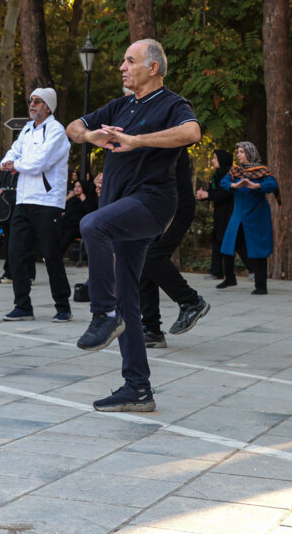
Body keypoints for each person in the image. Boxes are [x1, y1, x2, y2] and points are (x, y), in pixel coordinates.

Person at [66, 38, 201, 412]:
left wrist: (137, 140)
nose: (122, 67)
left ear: (153, 68)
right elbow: (73, 127)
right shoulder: (120, 105)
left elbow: (192, 133)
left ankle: (102, 315)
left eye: (130, 61)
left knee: (91, 224)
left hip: (151, 204)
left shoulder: (173, 105)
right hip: (121, 210)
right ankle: (138, 388)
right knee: (129, 300)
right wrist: (90, 135)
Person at [1, 87, 73, 323]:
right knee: (16, 253)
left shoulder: (56, 130)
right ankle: (22, 306)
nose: (32, 104)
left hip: (47, 201)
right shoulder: (27, 130)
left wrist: (16, 165)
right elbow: (14, 151)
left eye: (38, 101)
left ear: (48, 107)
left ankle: (63, 306)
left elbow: (40, 162)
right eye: (31, 100)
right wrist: (7, 162)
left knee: (51, 255)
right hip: (23, 199)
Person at [140, 148, 210, 347]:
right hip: (157, 207)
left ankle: (191, 301)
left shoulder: (168, 134)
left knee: (151, 256)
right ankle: (151, 330)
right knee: (145, 264)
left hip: (175, 207)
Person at [218, 142, 278, 294]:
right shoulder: (235, 171)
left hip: (256, 215)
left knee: (258, 251)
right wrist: (235, 186)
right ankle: (230, 278)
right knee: (227, 246)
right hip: (238, 215)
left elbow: (273, 184)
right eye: (238, 152)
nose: (238, 155)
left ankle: (261, 286)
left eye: (242, 152)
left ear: (250, 153)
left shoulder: (261, 170)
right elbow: (224, 183)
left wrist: (255, 186)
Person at [195, 149, 233, 280]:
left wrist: (208, 195)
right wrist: (204, 195)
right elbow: (213, 193)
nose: (212, 161)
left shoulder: (229, 175)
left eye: (215, 158)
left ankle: (253, 270)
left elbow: (226, 193)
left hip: (229, 212)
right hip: (219, 213)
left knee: (236, 241)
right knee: (218, 240)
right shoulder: (217, 175)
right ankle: (217, 271)